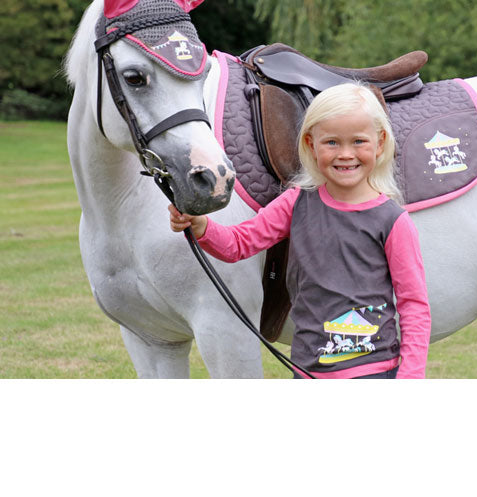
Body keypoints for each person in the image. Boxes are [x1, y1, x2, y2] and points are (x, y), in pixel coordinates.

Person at [168, 82, 431, 379]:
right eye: (332, 142)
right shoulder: (296, 203)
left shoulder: (392, 221)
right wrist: (202, 226)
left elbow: (414, 306)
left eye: (359, 141)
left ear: (380, 143)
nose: (345, 154)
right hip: (307, 372)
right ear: (310, 144)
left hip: (373, 372)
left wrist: (411, 376)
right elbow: (238, 243)